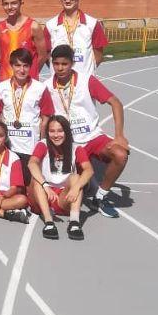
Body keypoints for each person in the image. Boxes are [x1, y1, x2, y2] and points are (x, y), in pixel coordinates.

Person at [44, 45, 128, 218]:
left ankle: (101, 196)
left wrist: (119, 135)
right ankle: (86, 186)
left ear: (72, 63)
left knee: (120, 155)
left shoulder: (86, 80)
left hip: (92, 138)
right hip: (65, 143)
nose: (60, 68)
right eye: (56, 64)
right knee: (71, 192)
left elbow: (116, 103)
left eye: (64, 64)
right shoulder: (46, 86)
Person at [0, 48, 53, 182]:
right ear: (12, 66)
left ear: (30, 67)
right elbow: (0, 115)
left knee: (30, 188)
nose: (22, 70)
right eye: (18, 65)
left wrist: (41, 144)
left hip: (30, 147)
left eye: (25, 66)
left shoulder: (40, 88)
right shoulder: (1, 88)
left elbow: (45, 119)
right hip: (9, 146)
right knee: (9, 185)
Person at [28, 115, 93, 240]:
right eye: (52, 131)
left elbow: (89, 170)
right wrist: (45, 186)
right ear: (47, 132)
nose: (56, 135)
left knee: (76, 177)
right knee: (36, 179)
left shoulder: (76, 148)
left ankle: (74, 223)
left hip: (63, 198)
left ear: (67, 132)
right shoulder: (43, 145)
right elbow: (32, 163)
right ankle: (49, 223)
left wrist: (76, 188)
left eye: (60, 131)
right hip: (43, 195)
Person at [43, 0, 108, 75]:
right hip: (59, 82)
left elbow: (98, 55)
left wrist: (87, 72)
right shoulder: (50, 25)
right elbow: (47, 54)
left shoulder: (92, 23)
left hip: (84, 82)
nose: (68, 1)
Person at [0, 0, 46, 81]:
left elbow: (42, 55)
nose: (10, 7)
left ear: (21, 3)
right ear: (2, 5)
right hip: (6, 81)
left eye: (14, 3)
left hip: (28, 81)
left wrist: (31, 73)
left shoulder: (33, 26)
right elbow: (0, 56)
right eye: (6, 4)